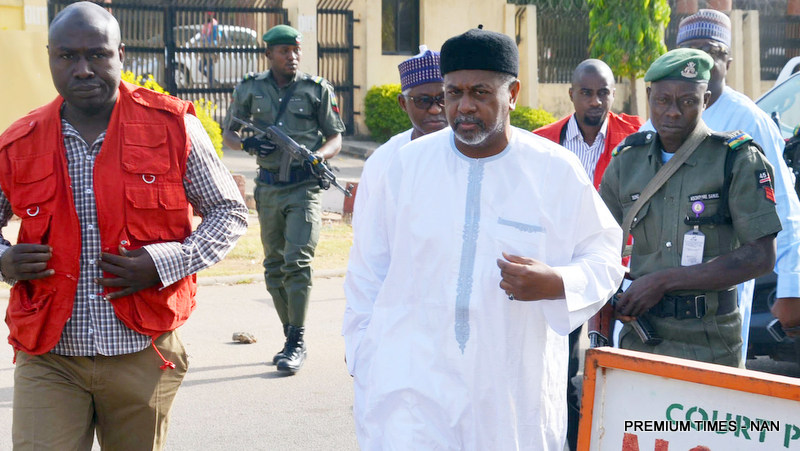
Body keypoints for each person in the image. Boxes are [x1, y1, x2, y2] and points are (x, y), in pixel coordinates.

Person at [342, 26, 625, 450]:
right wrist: (363, 351)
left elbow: (604, 255)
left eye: (480, 92)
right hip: (412, 384)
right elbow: (367, 269)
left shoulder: (554, 170)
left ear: (513, 94)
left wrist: (558, 282)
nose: (465, 106)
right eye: (453, 92)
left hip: (510, 391)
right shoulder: (405, 165)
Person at [0, 2, 248, 449]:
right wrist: (4, 259)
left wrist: (166, 261)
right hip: (49, 355)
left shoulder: (172, 127)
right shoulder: (20, 140)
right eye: (67, 56)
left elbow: (229, 212)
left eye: (97, 54)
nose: (82, 69)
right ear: (50, 57)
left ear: (121, 54)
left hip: (142, 349)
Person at [600, 48, 782, 368]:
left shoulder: (736, 159)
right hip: (640, 337)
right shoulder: (627, 162)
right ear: (649, 97)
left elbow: (761, 256)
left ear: (706, 100)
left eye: (687, 101)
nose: (673, 112)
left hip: (711, 341)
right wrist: (601, 322)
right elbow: (595, 245)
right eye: (663, 100)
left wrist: (664, 281)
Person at [641, 9, 800, 354]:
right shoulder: (657, 120)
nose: (702, 60)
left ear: (727, 60)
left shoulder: (748, 121)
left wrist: (792, 288)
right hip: (654, 300)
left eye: (712, 51)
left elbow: (783, 209)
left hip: (720, 305)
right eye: (693, 50)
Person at [533, 58, 643, 451]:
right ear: (572, 94)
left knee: (616, 366)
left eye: (603, 93)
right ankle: (572, 441)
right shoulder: (543, 142)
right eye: (586, 93)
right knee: (559, 367)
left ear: (614, 94)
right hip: (564, 271)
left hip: (621, 269)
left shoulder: (638, 136)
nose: (595, 101)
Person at [223, 24, 345, 373]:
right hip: (268, 188)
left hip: (303, 188)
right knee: (274, 266)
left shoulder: (316, 89)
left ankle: (297, 341)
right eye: (284, 51)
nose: (292, 56)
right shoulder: (251, 87)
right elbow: (229, 132)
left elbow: (335, 137)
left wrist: (318, 156)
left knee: (298, 262)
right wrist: (247, 143)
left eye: (296, 50)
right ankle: (290, 335)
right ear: (269, 54)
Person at [353, 44, 446, 222]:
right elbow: (365, 227)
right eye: (423, 100)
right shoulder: (383, 161)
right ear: (403, 103)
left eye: (443, 99)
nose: (435, 109)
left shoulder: (473, 153)